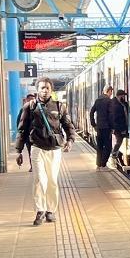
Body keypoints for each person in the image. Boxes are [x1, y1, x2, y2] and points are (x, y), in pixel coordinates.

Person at [15, 77, 75, 226]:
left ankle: (51, 210)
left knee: (52, 180)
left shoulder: (59, 106)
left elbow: (68, 125)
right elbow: (22, 130)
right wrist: (19, 150)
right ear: (37, 90)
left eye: (47, 88)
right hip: (37, 148)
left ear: (51, 90)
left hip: (54, 149)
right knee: (40, 180)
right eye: (42, 87)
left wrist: (70, 140)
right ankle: (40, 210)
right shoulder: (29, 107)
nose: (45, 90)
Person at [89, 85, 115, 169]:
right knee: (108, 147)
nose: (111, 93)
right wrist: (112, 127)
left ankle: (98, 165)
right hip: (107, 127)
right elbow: (111, 115)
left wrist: (94, 124)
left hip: (99, 127)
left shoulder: (98, 101)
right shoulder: (109, 101)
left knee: (100, 146)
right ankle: (103, 165)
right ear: (109, 91)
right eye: (111, 91)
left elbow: (91, 112)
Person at [16, 93, 37, 172]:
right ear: (26, 100)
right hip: (28, 136)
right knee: (30, 152)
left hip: (38, 136)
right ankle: (33, 166)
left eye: (33, 99)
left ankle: (35, 166)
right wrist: (21, 135)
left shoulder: (39, 108)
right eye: (30, 99)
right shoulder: (23, 109)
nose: (31, 100)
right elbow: (19, 124)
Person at [110, 89, 129, 165]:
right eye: (123, 96)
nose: (124, 97)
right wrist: (121, 129)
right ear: (120, 96)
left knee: (121, 141)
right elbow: (115, 118)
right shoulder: (114, 104)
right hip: (118, 128)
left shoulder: (121, 103)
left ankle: (118, 155)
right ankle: (114, 156)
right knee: (119, 141)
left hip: (123, 127)